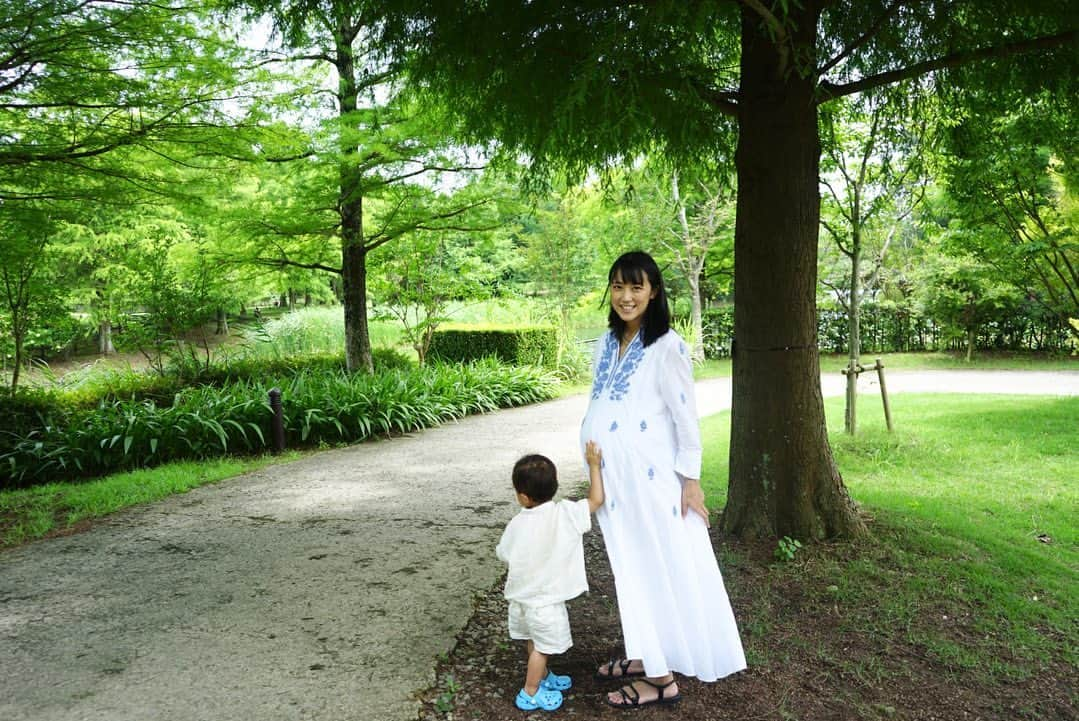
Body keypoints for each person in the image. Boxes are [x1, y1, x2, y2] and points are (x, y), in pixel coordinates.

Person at [581, 250, 746, 709]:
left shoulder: (667, 345)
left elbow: (685, 418)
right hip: (614, 482)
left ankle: (661, 679)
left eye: (636, 287)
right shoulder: (605, 342)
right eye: (618, 286)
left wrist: (690, 480)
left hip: (648, 482)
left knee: (649, 567)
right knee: (628, 568)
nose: (625, 296)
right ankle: (647, 653)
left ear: (653, 292)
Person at [495, 443, 606, 712]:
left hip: (522, 600)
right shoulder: (565, 513)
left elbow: (504, 553)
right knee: (543, 649)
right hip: (545, 603)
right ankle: (530, 691)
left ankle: (542, 677)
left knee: (534, 642)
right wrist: (594, 465)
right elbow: (596, 500)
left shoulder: (517, 523)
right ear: (554, 486)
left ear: (522, 496)